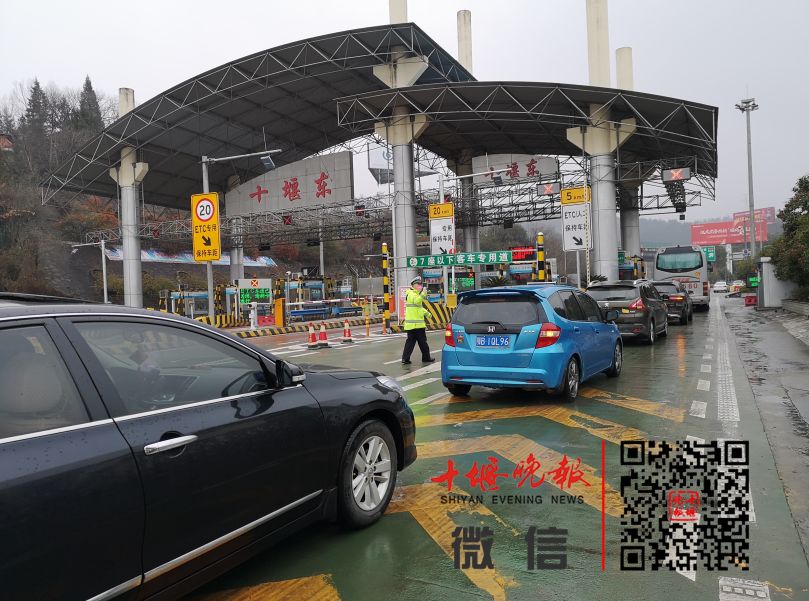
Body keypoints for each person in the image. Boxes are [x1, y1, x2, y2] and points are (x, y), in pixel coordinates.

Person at [402, 276, 435, 365]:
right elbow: (417, 301)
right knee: (422, 342)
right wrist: (423, 294)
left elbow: (418, 308)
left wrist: (427, 314)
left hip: (413, 325)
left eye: (421, 284)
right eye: (418, 284)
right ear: (413, 285)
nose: (420, 286)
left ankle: (405, 358)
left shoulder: (414, 294)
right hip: (416, 325)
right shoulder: (412, 294)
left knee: (410, 342)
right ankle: (426, 358)